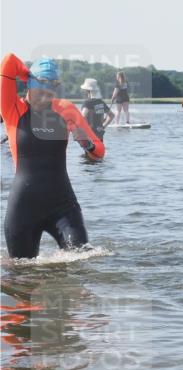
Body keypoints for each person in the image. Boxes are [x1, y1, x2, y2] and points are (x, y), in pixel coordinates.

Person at [1, 54, 105, 259]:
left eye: (52, 89)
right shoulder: (13, 109)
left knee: (81, 259)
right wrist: (30, 75)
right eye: (41, 89)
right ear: (29, 84)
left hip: (63, 204)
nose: (46, 97)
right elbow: (8, 62)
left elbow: (100, 152)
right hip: (23, 208)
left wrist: (87, 144)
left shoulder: (65, 109)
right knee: (21, 278)